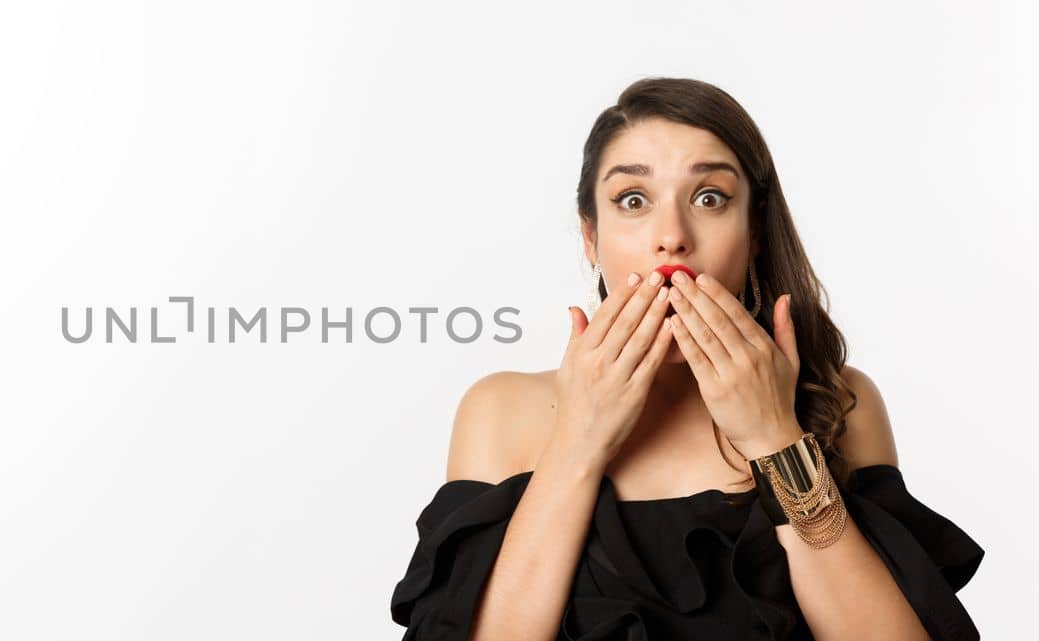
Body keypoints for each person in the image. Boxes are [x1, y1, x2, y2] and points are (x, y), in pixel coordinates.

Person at [388, 78, 984, 641]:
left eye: (709, 197)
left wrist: (775, 437)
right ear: (591, 238)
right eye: (632, 199)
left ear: (754, 232)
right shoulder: (501, 408)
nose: (671, 235)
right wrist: (579, 437)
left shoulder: (839, 398)